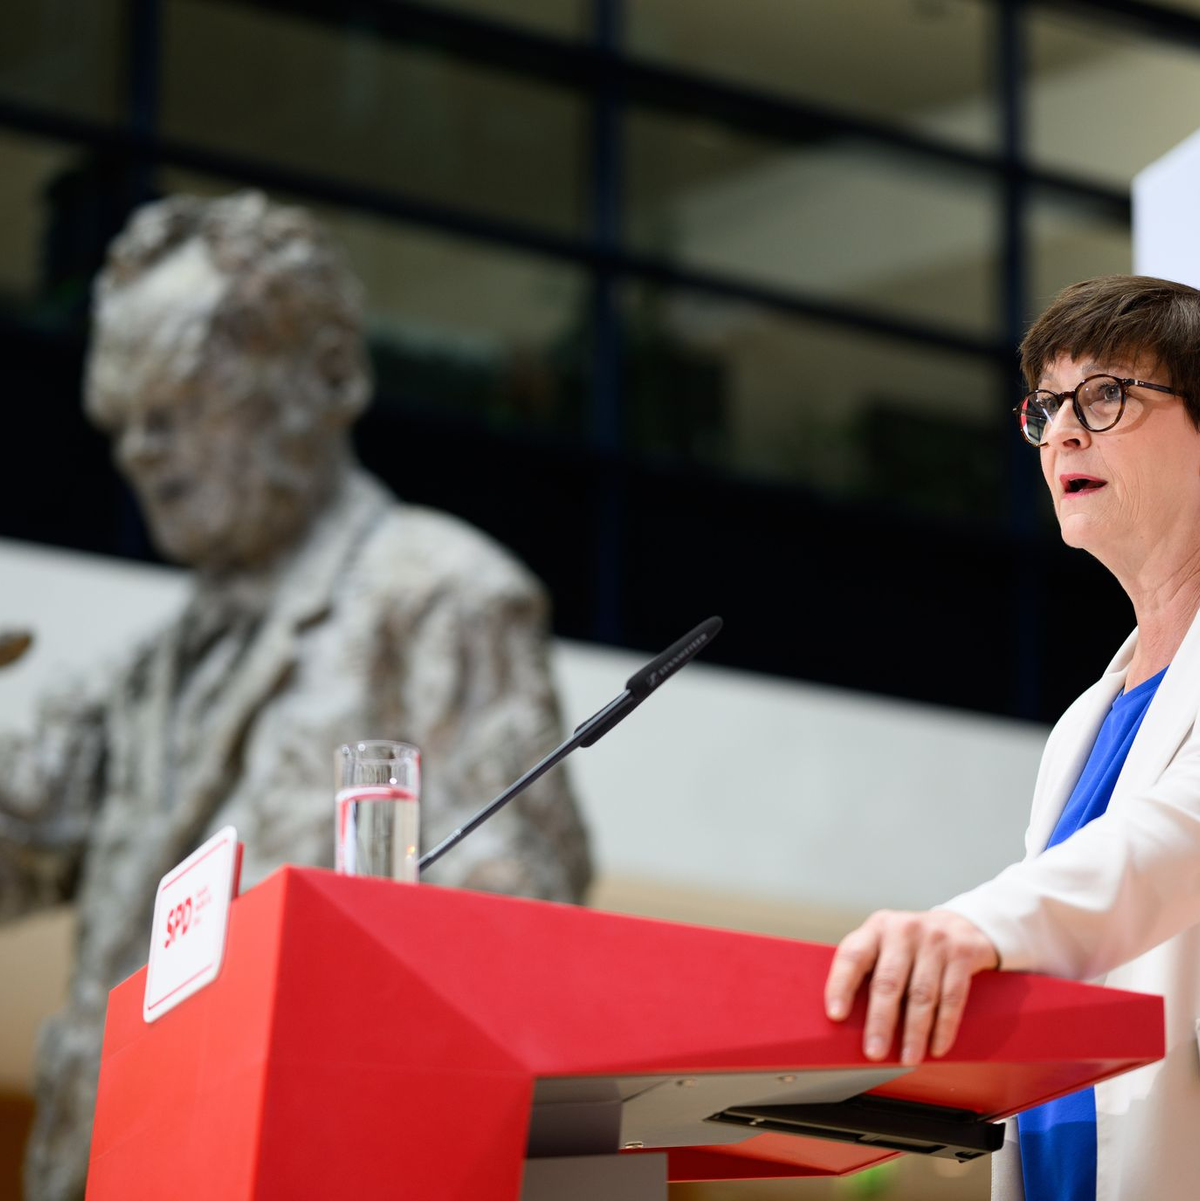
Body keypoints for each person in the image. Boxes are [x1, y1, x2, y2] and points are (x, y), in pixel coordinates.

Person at [0, 191, 592, 1201]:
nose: (143, 448)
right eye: (126, 420)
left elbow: (516, 938)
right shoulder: (139, 676)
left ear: (327, 375)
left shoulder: (438, 596)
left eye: (182, 402)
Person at [824, 273, 1200, 1200]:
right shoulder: (1085, 718)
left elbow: (1174, 842)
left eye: (1108, 395)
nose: (1064, 431)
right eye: (1048, 407)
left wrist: (973, 926)